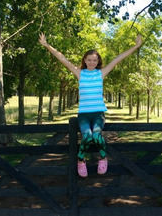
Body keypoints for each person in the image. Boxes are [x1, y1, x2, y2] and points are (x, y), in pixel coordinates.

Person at [38, 32, 142, 177]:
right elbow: (62, 58)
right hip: (84, 114)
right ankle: (81, 161)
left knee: (97, 136)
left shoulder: (101, 73)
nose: (92, 62)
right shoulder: (79, 73)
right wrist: (47, 45)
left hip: (98, 113)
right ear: (85, 61)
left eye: (94, 60)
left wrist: (136, 46)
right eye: (89, 60)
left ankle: (103, 158)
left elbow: (118, 59)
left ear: (98, 61)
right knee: (87, 137)